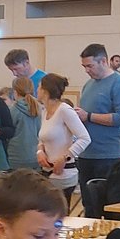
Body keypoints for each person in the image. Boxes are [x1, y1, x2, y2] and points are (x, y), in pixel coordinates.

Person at [72, 44, 120, 215]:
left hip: (108, 155)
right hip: (86, 154)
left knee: (106, 206)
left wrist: (89, 116)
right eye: (84, 66)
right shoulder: (88, 85)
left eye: (90, 66)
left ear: (103, 61)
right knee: (89, 205)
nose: (87, 70)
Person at [35, 73, 88, 204]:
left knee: (59, 211)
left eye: (39, 87)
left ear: (45, 91)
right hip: (47, 172)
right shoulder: (45, 111)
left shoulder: (65, 110)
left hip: (64, 173)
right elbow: (43, 138)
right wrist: (40, 151)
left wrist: (65, 157)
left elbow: (84, 138)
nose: (37, 90)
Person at [2, 77, 41, 172]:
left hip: (16, 156)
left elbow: (8, 132)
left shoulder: (14, 110)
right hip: (35, 155)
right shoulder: (38, 108)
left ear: (15, 92)